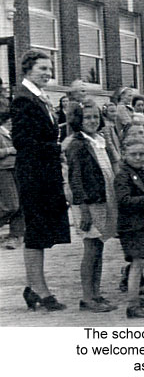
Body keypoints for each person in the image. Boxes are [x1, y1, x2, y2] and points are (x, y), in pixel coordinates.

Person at [11, 49, 71, 311]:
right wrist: (58, 149)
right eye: (42, 69)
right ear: (27, 69)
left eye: (50, 69)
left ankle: (33, 286)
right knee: (35, 233)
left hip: (44, 173)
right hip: (34, 176)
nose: (48, 73)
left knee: (42, 232)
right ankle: (39, 290)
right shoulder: (24, 99)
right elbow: (23, 143)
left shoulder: (38, 97)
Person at [66, 99, 118, 313]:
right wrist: (84, 207)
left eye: (96, 116)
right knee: (91, 249)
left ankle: (96, 293)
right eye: (87, 117)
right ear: (78, 119)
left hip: (103, 199)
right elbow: (75, 178)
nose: (92, 121)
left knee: (99, 248)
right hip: (88, 203)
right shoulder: (77, 144)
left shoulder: (100, 140)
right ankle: (88, 297)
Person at [114, 136, 144, 319]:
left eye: (142, 154)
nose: (139, 157)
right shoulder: (123, 175)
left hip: (142, 224)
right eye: (134, 154)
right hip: (132, 226)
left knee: (140, 262)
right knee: (137, 262)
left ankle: (137, 297)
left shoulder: (140, 171)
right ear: (125, 155)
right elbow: (123, 200)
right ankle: (132, 305)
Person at [0, 107, 24, 250]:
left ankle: (15, 236)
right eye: (10, 121)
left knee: (20, 204)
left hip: (17, 169)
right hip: (3, 171)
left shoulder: (13, 134)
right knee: (10, 205)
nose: (12, 123)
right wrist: (9, 150)